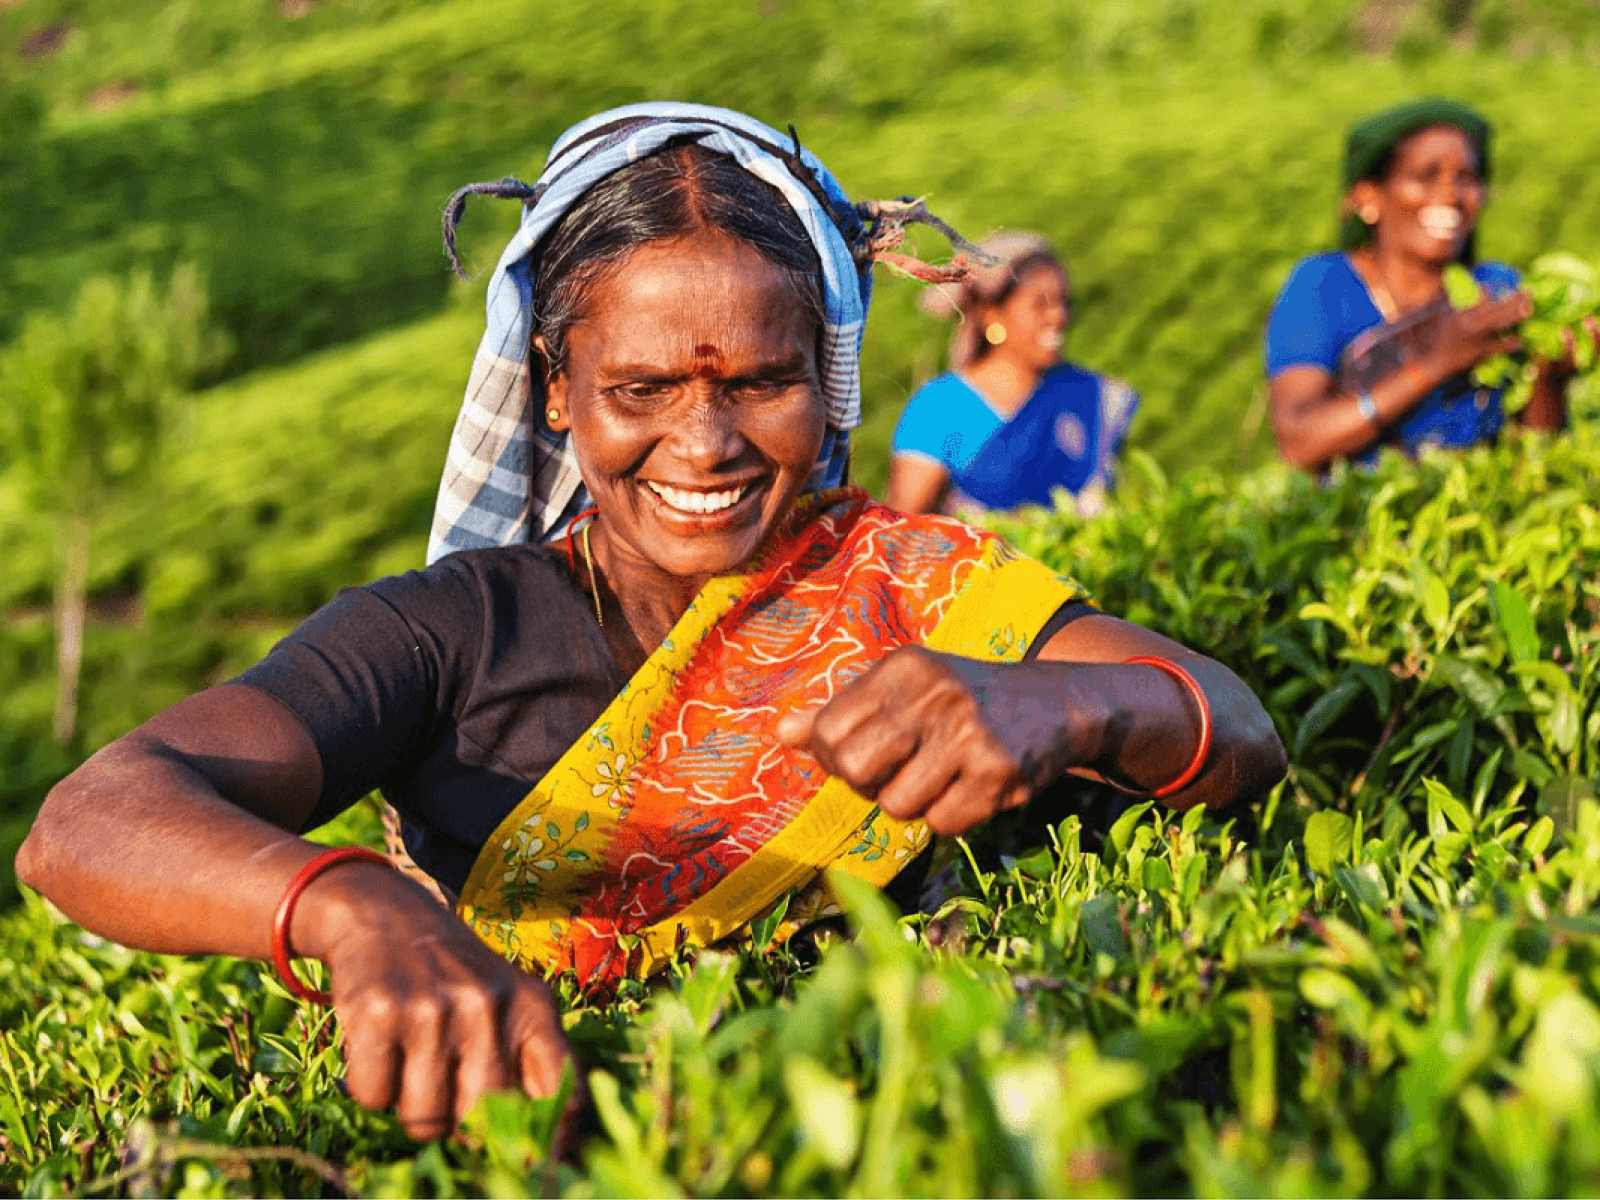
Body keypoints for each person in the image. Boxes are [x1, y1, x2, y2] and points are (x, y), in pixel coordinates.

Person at [16, 103, 1285, 1142]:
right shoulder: (452, 632)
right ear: (558, 393)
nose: (705, 441)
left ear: (825, 382)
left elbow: (1234, 728)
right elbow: (90, 821)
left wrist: (1053, 701)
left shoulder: (908, 581)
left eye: (761, 383)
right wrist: (349, 908)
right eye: (640, 389)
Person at [1265, 97, 1571, 475]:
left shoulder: (1498, 288)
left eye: (1467, 178)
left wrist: (1549, 375)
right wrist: (1434, 363)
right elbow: (1300, 440)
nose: (1451, 195)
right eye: (1426, 175)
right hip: (1357, 525)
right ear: (1368, 197)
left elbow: (1540, 459)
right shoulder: (1324, 286)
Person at [887, 232, 1138, 518]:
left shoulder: (1089, 398)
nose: (1059, 316)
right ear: (992, 315)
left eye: (1063, 302)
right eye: (1039, 304)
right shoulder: (941, 408)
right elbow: (905, 526)